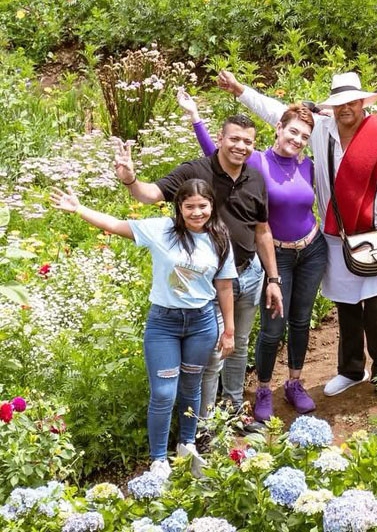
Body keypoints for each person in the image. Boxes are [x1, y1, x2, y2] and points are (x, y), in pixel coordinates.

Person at [218, 70, 377, 397]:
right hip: (335, 235)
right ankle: (350, 369)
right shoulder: (321, 129)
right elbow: (276, 112)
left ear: (363, 102)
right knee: (346, 305)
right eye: (338, 103)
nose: (344, 108)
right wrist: (240, 90)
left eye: (351, 102)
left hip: (375, 235)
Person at [48, 179, 237, 477]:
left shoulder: (220, 239)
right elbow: (115, 225)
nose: (197, 212)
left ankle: (187, 445)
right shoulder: (161, 230)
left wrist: (229, 332)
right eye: (190, 207)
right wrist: (79, 209)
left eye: (203, 206)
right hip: (164, 323)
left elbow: (225, 288)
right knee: (163, 392)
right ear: (179, 208)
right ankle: (158, 459)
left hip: (202, 323)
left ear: (212, 206)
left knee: (191, 386)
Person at [114, 116, 280, 417]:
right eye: (234, 139)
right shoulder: (195, 170)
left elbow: (262, 230)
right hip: (211, 282)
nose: (240, 146)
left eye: (247, 141)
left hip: (250, 274)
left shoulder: (255, 178)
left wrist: (273, 278)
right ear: (220, 137)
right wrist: (130, 179)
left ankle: (231, 409)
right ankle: (203, 423)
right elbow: (151, 195)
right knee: (214, 355)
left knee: (239, 345)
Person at [178, 91, 325, 422]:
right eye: (293, 132)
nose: (298, 140)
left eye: (304, 136)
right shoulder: (256, 161)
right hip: (277, 255)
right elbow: (213, 154)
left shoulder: (308, 166)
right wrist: (195, 117)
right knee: (274, 327)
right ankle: (262, 388)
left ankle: (294, 383)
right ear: (278, 128)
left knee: (301, 321)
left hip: (312, 249)